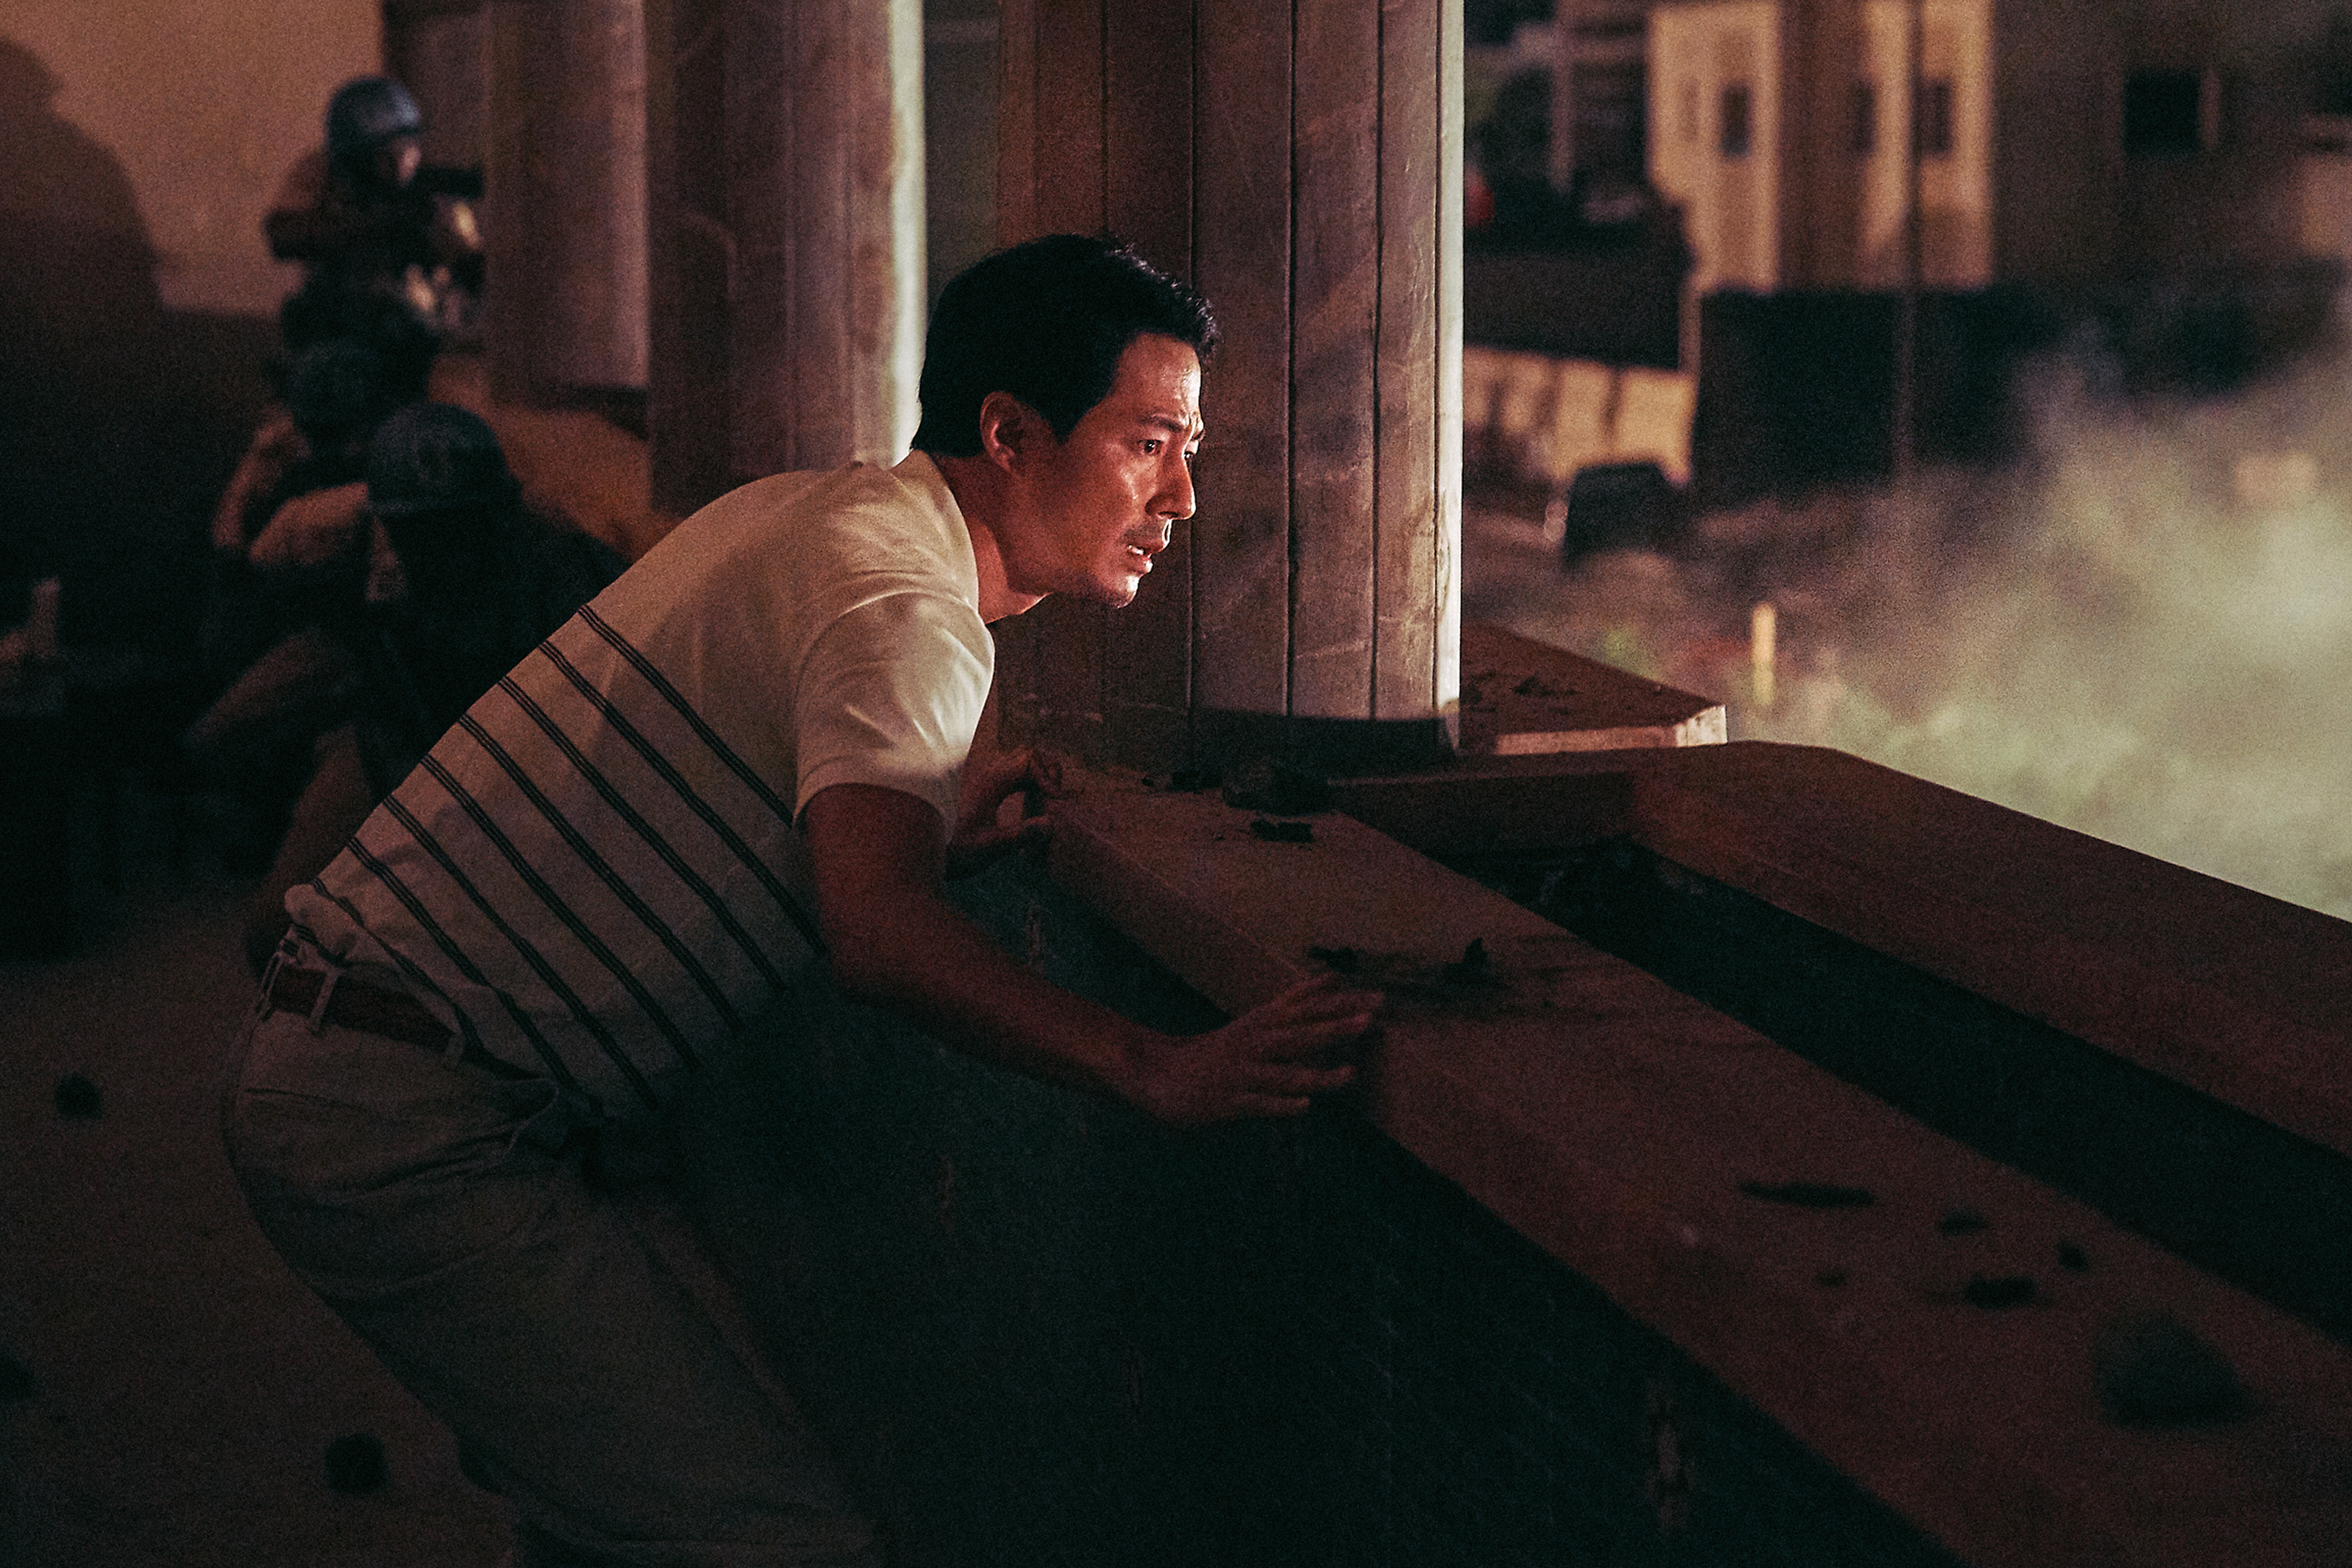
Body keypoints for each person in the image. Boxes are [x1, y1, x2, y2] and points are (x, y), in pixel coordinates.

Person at [222, 234, 1379, 1567]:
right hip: (404, 1117)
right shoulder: (909, 611)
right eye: (1149, 444)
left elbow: (813, 845)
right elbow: (875, 937)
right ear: (1009, 432)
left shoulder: (814, 512)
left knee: (602, 1522)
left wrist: (917, 837)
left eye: (1190, 449)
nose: (1182, 495)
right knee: (784, 1545)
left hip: (368, 1064)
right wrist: (1152, 1063)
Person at [233, 403, 625, 975]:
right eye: (421, 533)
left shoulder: (561, 562)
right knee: (276, 930)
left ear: (499, 514)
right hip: (392, 740)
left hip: (524, 763)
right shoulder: (349, 546)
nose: (444, 550)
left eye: (461, 529)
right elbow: (261, 562)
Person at [266, 75, 481, 354]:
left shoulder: (426, 193)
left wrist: (433, 234)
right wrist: (379, 226)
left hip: (404, 329)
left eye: (411, 145)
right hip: (334, 325)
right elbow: (283, 235)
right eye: (391, 152)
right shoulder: (324, 171)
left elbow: (468, 264)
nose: (410, 158)